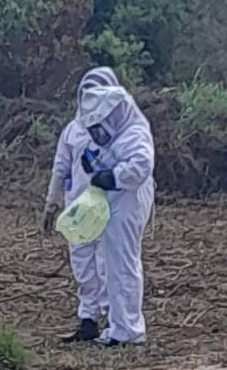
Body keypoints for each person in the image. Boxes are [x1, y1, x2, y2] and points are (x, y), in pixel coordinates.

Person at [43, 67, 155, 346]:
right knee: (93, 262)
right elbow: (65, 165)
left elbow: (139, 165)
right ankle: (107, 324)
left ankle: (126, 330)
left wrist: (113, 177)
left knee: (118, 265)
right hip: (90, 206)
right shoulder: (86, 129)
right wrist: (55, 200)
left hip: (122, 204)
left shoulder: (132, 132)